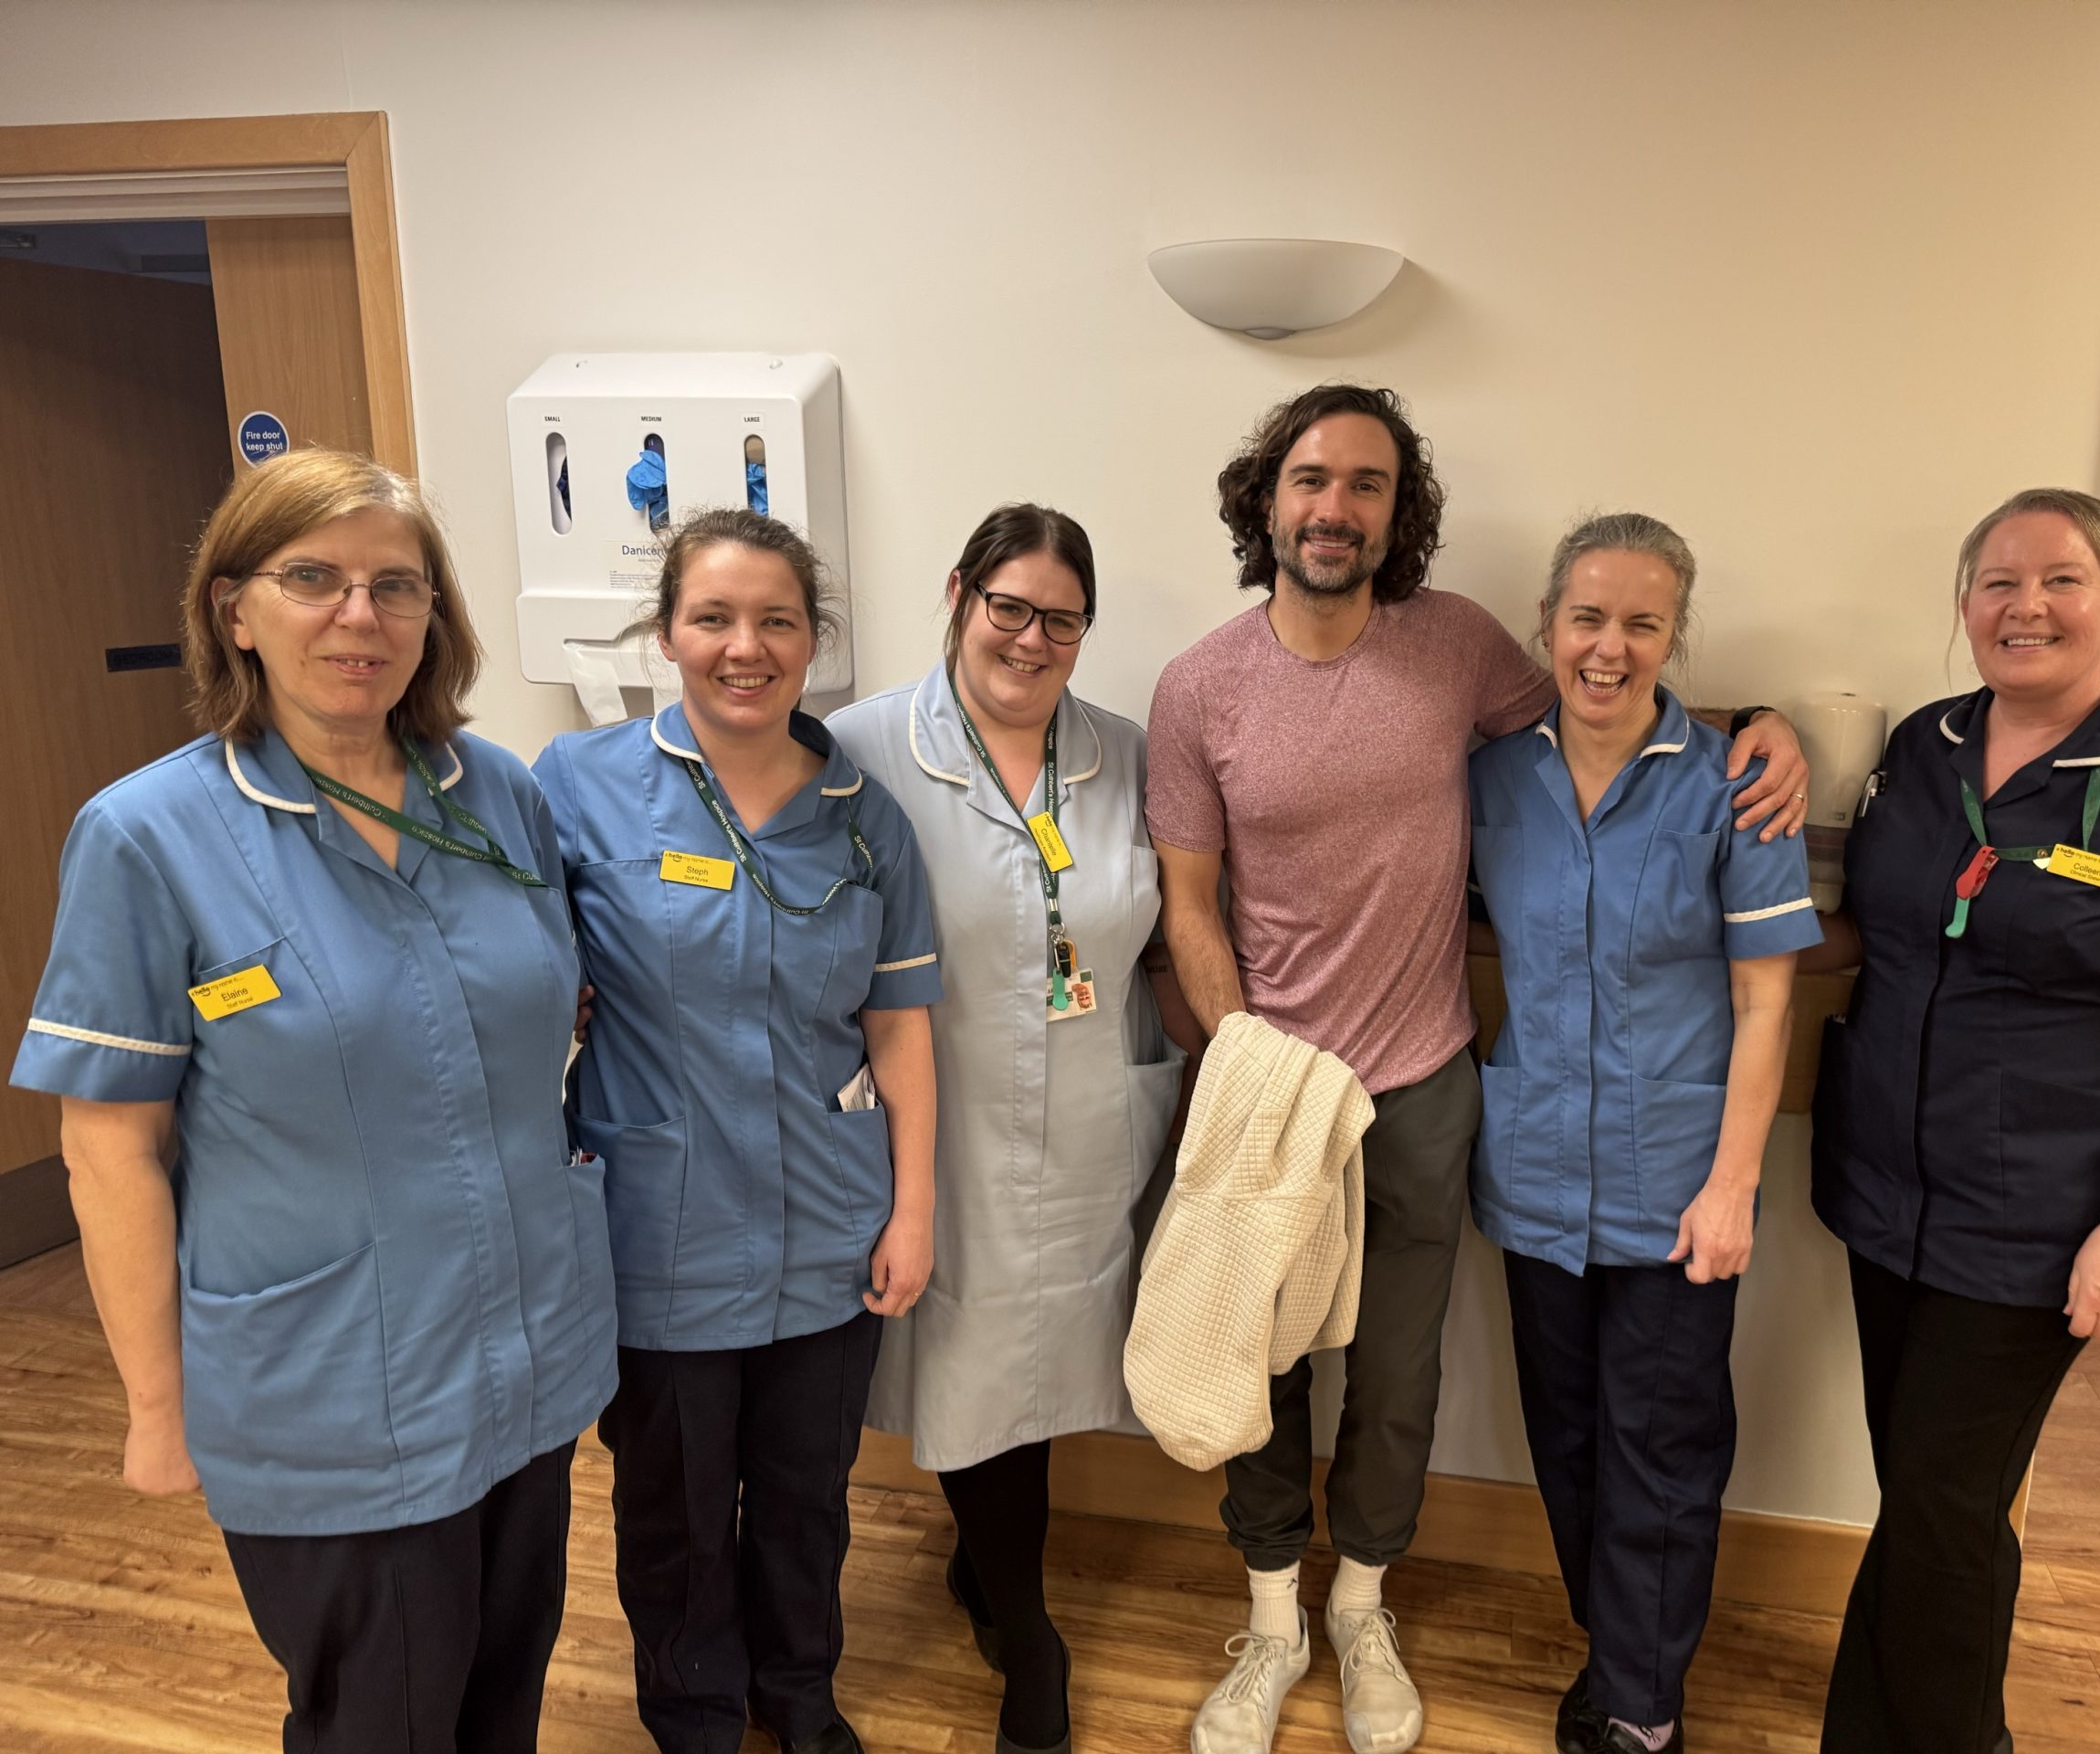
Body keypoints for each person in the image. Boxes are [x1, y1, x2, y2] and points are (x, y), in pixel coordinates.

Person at [1145, 383, 1812, 1754]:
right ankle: (1272, 1621)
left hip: (1422, 1087)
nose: (1337, 508)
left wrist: (1768, 720)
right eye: (1313, 479)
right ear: (1267, 497)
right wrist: (1245, 1056)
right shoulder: (1197, 685)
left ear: (1403, 513)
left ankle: (1362, 1610)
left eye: (1370, 484)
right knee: (1255, 1370)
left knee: (1396, 1376)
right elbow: (1190, 905)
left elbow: (1618, 702)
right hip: (1267, 1089)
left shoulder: (1459, 652)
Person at [10, 449, 617, 1754]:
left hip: (525, 1352)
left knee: (503, 1697)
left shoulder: (498, 794)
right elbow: (107, 1150)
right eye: (314, 579)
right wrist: (159, 1411)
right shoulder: (147, 836)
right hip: (331, 1387)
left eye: (396, 586)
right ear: (235, 609)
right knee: (378, 1721)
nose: (360, 616)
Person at [1805, 488, 2100, 1754]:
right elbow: (1870, 930)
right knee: (1929, 1501)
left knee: (1944, 1504)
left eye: (2061, 580)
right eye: (1997, 582)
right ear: (1965, 608)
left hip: (2041, 1219)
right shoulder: (1922, 745)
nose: (2026, 606)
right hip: (1884, 1192)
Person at [533, 509, 941, 1754]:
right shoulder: (575, 786)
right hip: (658, 1226)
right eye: (712, 617)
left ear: (814, 642)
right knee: (675, 1504)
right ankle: (696, 1712)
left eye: (776, 621)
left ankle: (799, 1698)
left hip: (828, 1220)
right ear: (666, 634)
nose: (743, 647)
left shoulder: (869, 819)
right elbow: (503, 958)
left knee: (809, 1498)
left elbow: (902, 1027)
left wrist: (914, 1210)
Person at [828, 502, 1195, 1754]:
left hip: (1098, 1108)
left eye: (1062, 620)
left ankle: (989, 1583)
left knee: (1050, 1364)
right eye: (1009, 608)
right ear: (960, 595)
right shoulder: (864, 746)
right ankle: (1027, 1632)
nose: (1031, 639)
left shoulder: (1130, 754)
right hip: (949, 1115)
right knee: (981, 1367)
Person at [1472, 514, 1820, 1754]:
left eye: (1642, 623)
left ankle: (1643, 1710)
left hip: (1681, 1188)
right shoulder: (1492, 775)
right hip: (1532, 1177)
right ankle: (1618, 1654)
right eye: (1587, 617)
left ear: (1677, 638)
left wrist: (1735, 1187)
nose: (1609, 648)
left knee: (1661, 1452)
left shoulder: (1737, 781)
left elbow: (1767, 997)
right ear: (1547, 628)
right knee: (1565, 1440)